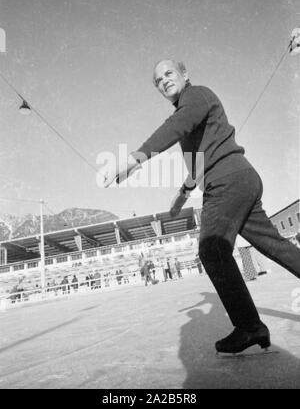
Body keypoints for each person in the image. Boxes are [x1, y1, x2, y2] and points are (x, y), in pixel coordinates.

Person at [102, 59, 300, 354]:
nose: (164, 81)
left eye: (169, 74)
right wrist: (181, 196)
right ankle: (251, 326)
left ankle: (249, 326)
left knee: (212, 249)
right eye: (158, 80)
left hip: (227, 181)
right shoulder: (191, 114)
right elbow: (198, 164)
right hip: (240, 177)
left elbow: (175, 126)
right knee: (273, 244)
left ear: (185, 75)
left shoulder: (195, 97)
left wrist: (135, 158)